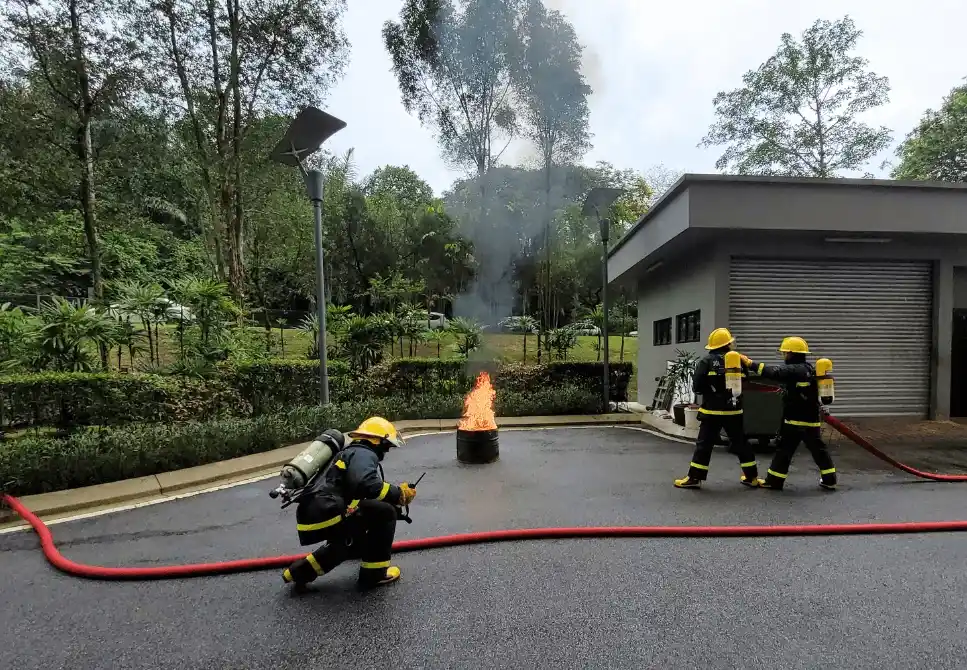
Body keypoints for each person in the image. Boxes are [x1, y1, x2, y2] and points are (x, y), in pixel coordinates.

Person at [281, 416, 417, 590]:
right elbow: (366, 483)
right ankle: (374, 574)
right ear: (377, 440)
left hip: (312, 513)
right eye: (386, 445)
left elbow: (359, 492)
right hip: (327, 510)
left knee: (351, 539)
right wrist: (399, 494)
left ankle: (299, 572)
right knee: (385, 512)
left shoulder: (347, 453)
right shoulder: (364, 453)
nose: (387, 451)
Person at [741, 336, 837, 491]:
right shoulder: (808, 368)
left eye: (785, 353)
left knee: (784, 451)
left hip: (794, 420)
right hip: (811, 420)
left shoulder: (795, 369)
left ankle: (774, 481)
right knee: (819, 451)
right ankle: (829, 479)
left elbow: (773, 372)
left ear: (792, 353)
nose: (784, 356)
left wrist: (749, 363)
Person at [674, 327, 761, 489]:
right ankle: (752, 477)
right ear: (729, 344)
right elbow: (746, 381)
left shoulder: (706, 361)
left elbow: (697, 387)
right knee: (741, 443)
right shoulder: (738, 361)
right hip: (734, 410)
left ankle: (694, 478)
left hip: (712, 412)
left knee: (704, 445)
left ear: (712, 346)